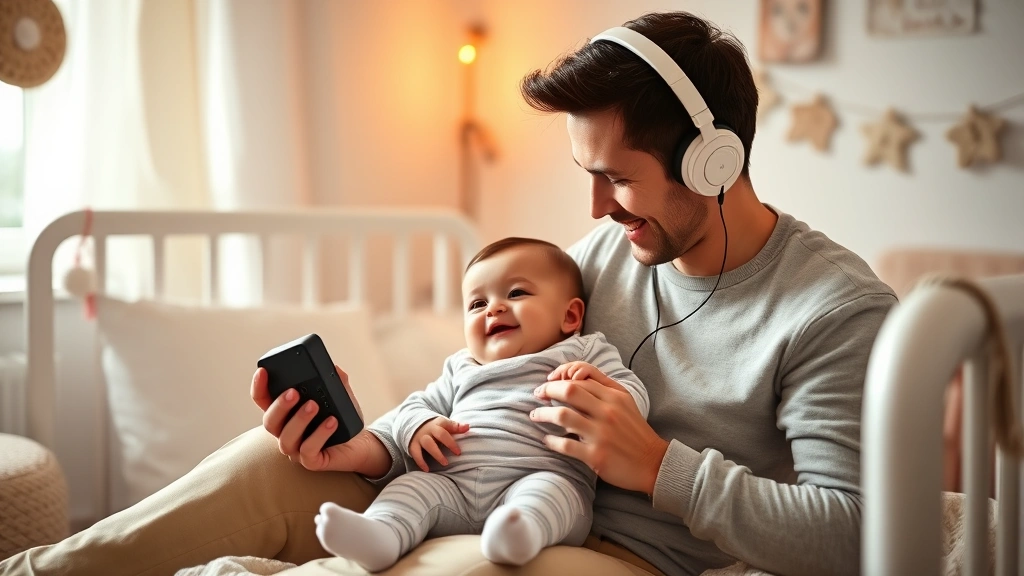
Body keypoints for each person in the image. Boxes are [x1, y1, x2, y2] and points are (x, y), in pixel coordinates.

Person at [1, 11, 896, 576]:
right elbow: (478, 381)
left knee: (468, 568)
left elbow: (854, 535)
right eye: (584, 174)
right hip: (472, 481)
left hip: (611, 549)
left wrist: (661, 468)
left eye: (616, 179)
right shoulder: (609, 247)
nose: (591, 210)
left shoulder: (832, 311)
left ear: (714, 160)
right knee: (263, 464)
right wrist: (373, 447)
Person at [314, 237, 649, 571]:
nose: (494, 308)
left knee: (551, 493)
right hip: (452, 486)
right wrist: (419, 425)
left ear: (571, 316)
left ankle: (519, 534)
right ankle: (381, 534)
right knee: (411, 486)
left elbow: (631, 396)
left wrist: (595, 386)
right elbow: (416, 405)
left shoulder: (582, 353)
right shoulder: (462, 367)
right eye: (477, 304)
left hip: (539, 474)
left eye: (516, 293)